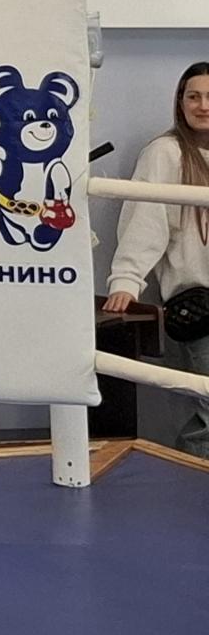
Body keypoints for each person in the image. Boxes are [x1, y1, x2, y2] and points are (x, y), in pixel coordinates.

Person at [103, 60, 209, 457]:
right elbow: (145, 221)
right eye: (193, 96)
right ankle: (193, 484)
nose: (202, 105)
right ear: (180, 102)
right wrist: (126, 281)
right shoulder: (166, 153)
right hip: (200, 308)